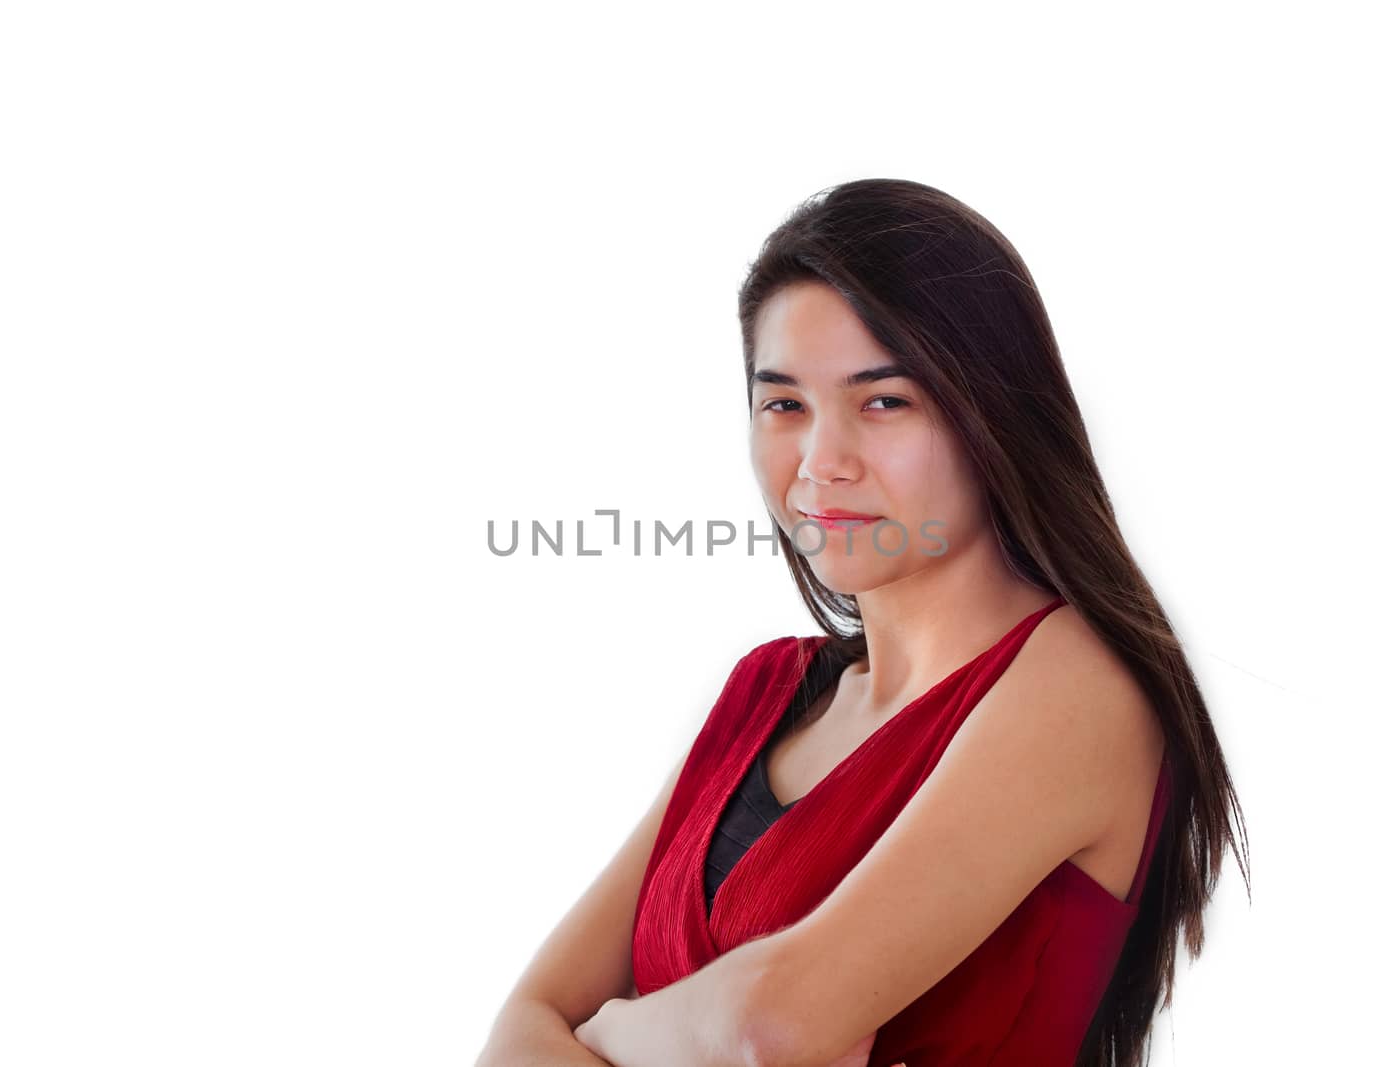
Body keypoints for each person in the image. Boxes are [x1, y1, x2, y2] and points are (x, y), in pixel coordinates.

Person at [475, 178, 1249, 1067]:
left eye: (884, 401)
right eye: (784, 404)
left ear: (989, 412)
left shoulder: (1077, 685)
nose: (820, 463)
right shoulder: (767, 691)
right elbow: (520, 1027)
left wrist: (610, 1031)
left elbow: (769, 1026)